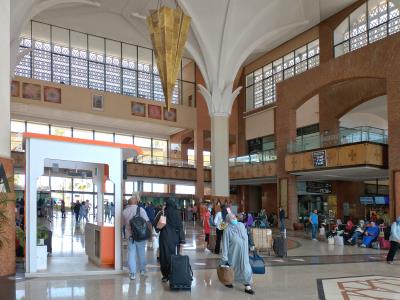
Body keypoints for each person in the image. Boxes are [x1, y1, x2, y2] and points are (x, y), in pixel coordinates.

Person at [221, 213, 255, 295]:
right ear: (228, 220)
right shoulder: (227, 230)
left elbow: (248, 232)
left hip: (244, 254)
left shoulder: (241, 225)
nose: (234, 219)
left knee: (246, 269)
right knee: (233, 269)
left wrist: (251, 244)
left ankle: (247, 286)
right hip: (233, 254)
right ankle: (229, 281)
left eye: (234, 217)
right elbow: (225, 244)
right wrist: (224, 257)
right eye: (232, 218)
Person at [154, 198, 185, 282]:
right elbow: (180, 227)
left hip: (164, 237)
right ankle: (173, 274)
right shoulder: (177, 213)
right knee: (173, 256)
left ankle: (165, 275)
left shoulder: (162, 212)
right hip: (175, 238)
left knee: (164, 256)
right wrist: (182, 240)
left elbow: (155, 224)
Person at [122, 192, 150, 280]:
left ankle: (132, 273)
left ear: (129, 203)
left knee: (131, 253)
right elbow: (147, 222)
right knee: (141, 253)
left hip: (130, 236)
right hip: (141, 235)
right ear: (136, 203)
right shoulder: (141, 210)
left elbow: (122, 224)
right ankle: (142, 270)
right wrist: (151, 234)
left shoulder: (124, 211)